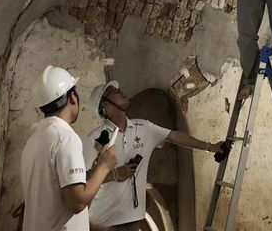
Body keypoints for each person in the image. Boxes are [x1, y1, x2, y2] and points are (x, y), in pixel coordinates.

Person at [82, 81, 226, 231]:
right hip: (102, 222)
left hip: (132, 219)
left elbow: (174, 136)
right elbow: (84, 179)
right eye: (113, 91)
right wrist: (115, 174)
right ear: (105, 105)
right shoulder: (94, 138)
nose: (120, 91)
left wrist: (210, 147)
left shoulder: (143, 127)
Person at [20, 66, 117, 231]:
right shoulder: (65, 137)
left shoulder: (34, 138)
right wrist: (104, 166)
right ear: (72, 97)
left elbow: (54, 196)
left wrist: (92, 174)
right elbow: (77, 202)